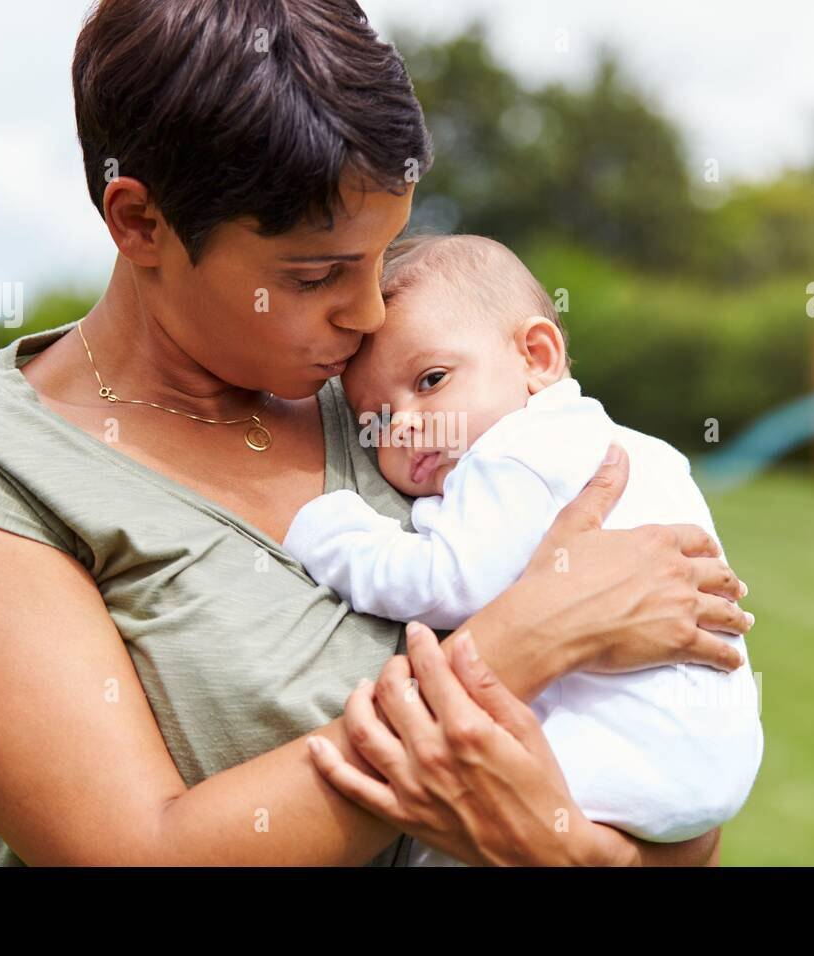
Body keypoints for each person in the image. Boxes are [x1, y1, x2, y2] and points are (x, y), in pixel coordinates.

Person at [0, 0, 752, 866]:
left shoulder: (400, 397)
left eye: (384, 253)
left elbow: (673, 809)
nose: (367, 314)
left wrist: (574, 851)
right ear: (140, 222)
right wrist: (533, 638)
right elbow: (134, 856)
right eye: (317, 272)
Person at [283, 233, 764, 866]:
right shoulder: (622, 445)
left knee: (451, 819)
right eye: (374, 419)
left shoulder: (518, 454)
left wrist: (331, 531)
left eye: (431, 380)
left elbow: (446, 582)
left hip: (618, 750)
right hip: (703, 754)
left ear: (536, 356)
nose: (401, 424)